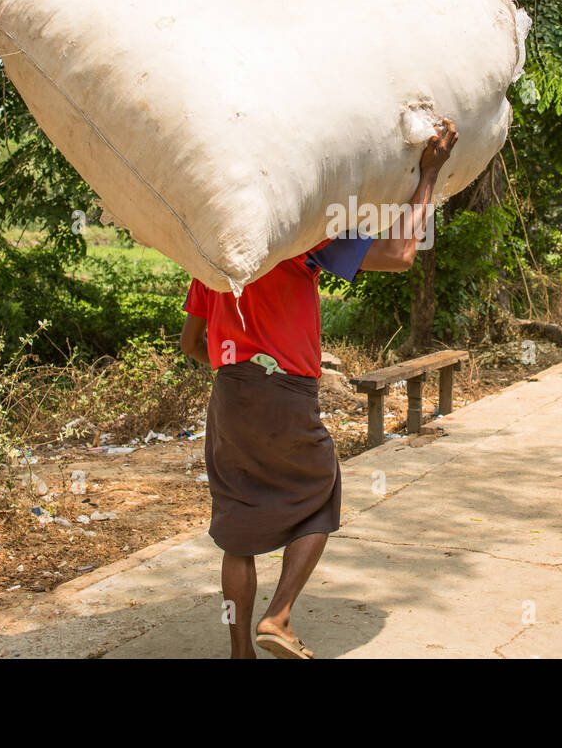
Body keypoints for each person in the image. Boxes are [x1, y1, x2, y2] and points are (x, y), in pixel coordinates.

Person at [180, 119, 458, 659]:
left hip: (229, 393)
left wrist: (234, 370)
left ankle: (241, 653)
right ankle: (278, 618)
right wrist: (428, 175)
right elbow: (402, 255)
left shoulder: (215, 255)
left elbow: (191, 341)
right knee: (319, 494)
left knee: (237, 527)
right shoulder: (302, 238)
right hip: (284, 389)